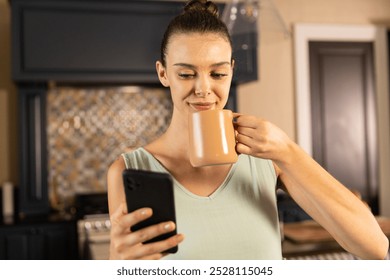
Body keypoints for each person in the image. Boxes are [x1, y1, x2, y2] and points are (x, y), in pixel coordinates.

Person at [107, 0, 389, 260]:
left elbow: (375, 248)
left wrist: (288, 151)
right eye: (186, 74)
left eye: (217, 73)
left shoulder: (266, 158)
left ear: (231, 70)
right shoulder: (129, 171)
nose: (204, 89)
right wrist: (116, 266)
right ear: (163, 73)